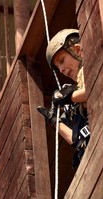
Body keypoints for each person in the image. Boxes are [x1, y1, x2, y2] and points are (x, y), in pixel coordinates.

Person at [37, 29, 90, 169]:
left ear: (78, 50)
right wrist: (56, 123)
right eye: (58, 67)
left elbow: (96, 91)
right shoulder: (78, 96)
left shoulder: (94, 68)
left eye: (61, 60)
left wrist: (70, 97)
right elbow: (77, 141)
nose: (61, 70)